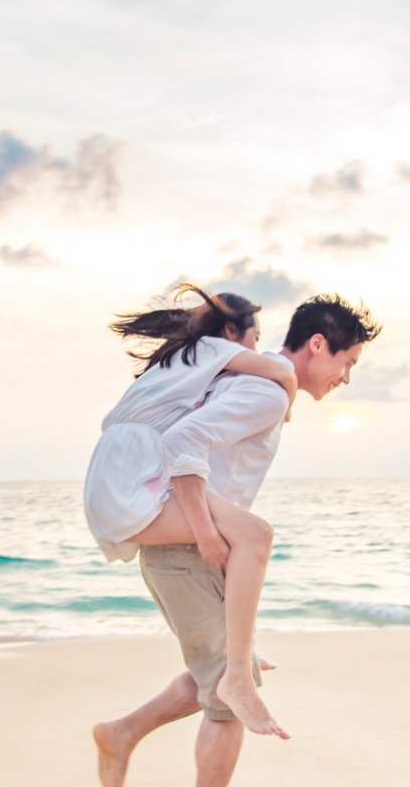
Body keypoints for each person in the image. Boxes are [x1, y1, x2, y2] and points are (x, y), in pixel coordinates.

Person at [92, 293, 381, 787]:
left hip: (186, 541)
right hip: (186, 546)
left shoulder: (257, 381)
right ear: (318, 346)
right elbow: (183, 441)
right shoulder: (265, 390)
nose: (346, 378)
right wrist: (203, 534)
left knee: (223, 672)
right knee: (228, 699)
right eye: (347, 363)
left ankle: (122, 732)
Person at [84, 285, 295, 740]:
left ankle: (239, 657)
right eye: (253, 339)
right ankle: (237, 673)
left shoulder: (177, 362)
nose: (252, 351)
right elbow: (277, 368)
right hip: (131, 477)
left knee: (245, 535)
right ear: (232, 331)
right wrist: (290, 395)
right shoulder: (212, 348)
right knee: (253, 536)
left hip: (117, 471)